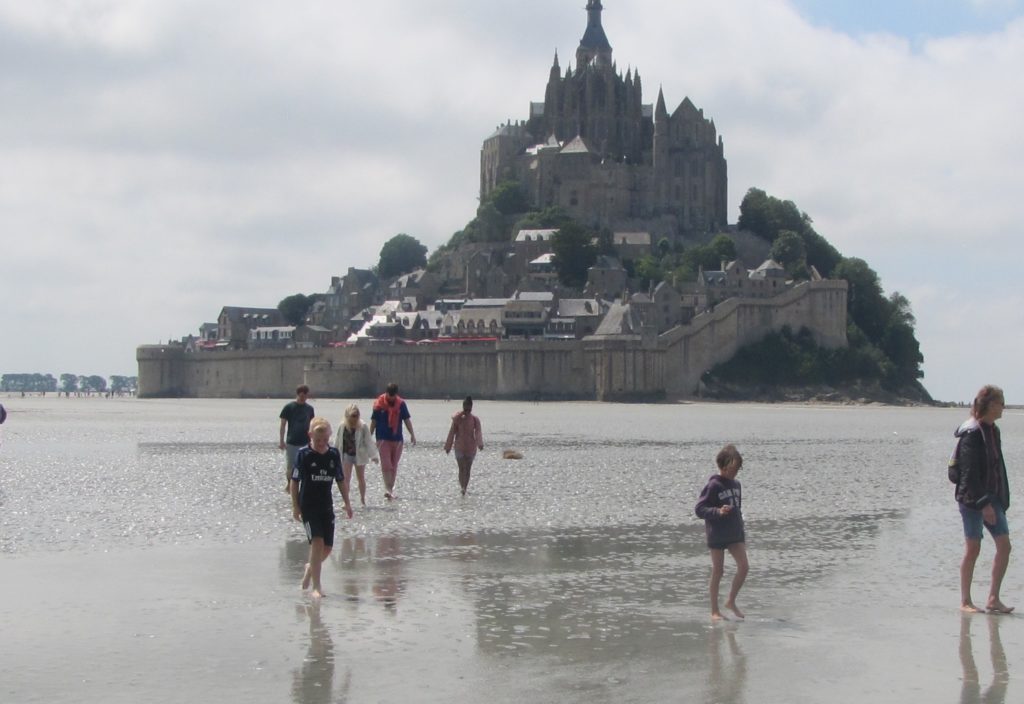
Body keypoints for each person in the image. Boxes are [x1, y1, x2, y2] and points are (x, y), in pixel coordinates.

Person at [955, 384, 1013, 614]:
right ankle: (965, 601)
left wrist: (999, 499)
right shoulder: (972, 434)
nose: (1003, 407)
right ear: (989, 405)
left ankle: (993, 598)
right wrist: (983, 504)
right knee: (973, 548)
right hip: (971, 500)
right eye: (1000, 403)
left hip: (993, 497)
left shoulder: (994, 430)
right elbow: (968, 473)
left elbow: (997, 466)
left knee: (1005, 546)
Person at [290, 417, 352, 599]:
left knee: (327, 548)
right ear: (310, 436)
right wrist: (295, 506)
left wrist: (347, 503)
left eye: (324, 440)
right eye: (317, 440)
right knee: (316, 542)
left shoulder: (333, 454)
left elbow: (341, 480)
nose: (321, 443)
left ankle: (311, 567)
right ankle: (316, 587)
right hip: (308, 506)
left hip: (326, 506)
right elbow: (294, 482)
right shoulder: (303, 454)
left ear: (329, 437)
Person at [695, 444, 749, 621]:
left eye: (738, 469)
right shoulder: (714, 485)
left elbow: (738, 508)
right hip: (717, 533)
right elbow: (700, 509)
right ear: (723, 466)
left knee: (744, 567)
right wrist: (717, 512)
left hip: (734, 533)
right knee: (718, 570)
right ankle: (714, 610)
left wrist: (740, 527)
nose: (735, 472)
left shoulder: (736, 484)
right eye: (733, 469)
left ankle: (731, 600)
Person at [370, 383, 416, 500]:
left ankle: (390, 489)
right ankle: (388, 489)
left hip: (397, 439)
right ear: (386, 393)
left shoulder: (401, 404)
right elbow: (374, 421)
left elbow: (406, 420)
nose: (391, 398)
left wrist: (412, 434)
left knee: (394, 465)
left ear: (396, 394)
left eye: (393, 396)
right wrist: (368, 436)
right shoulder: (378, 404)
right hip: (382, 438)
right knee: (386, 465)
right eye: (389, 395)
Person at [335, 403, 378, 507]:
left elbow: (368, 441)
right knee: (346, 478)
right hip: (346, 455)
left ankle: (362, 498)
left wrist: (374, 456)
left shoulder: (362, 426)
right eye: (353, 415)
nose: (355, 418)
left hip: (360, 454)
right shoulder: (342, 426)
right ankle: (346, 501)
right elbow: (338, 441)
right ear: (348, 415)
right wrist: (333, 455)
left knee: (361, 477)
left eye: (357, 415)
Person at [444, 396, 484, 496]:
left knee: (468, 469)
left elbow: (478, 432)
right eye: (465, 407)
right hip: (459, 447)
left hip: (471, 448)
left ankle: (465, 487)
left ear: (471, 407)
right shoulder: (457, 418)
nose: (466, 409)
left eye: (468, 407)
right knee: (462, 468)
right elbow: (452, 432)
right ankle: (462, 487)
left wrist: (480, 444)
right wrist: (448, 446)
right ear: (463, 406)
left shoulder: (475, 420)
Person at [279, 385, 315, 493]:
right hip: (292, 441)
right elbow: (283, 425)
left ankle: (304, 485)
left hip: (306, 441)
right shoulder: (289, 407)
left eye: (305, 396)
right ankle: (290, 484)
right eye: (301, 396)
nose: (303, 398)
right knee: (291, 466)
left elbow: (312, 425)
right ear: (298, 395)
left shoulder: (309, 409)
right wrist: (281, 441)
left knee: (306, 465)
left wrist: (313, 441)